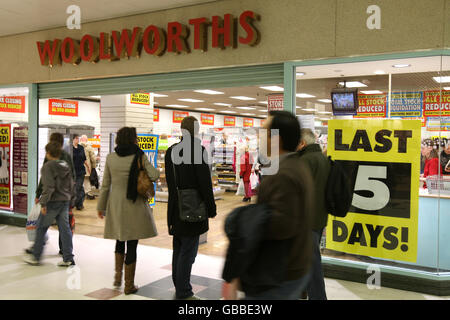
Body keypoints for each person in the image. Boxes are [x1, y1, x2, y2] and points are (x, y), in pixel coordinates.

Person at [226, 111, 314, 300]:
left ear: (277, 139)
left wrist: (243, 219)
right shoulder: (294, 166)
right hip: (291, 266)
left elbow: (282, 224)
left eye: (264, 132)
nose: (260, 137)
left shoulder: (284, 174)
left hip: (279, 273)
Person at [97, 127, 159, 295]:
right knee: (132, 244)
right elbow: (154, 175)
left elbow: (105, 186)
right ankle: (128, 285)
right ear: (133, 139)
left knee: (119, 239)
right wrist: (143, 165)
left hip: (116, 205)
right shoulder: (139, 155)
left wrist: (100, 207)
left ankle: (118, 277)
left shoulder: (111, 158)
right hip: (135, 205)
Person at [165, 116, 217, 300]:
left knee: (179, 248)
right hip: (192, 209)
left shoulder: (171, 151)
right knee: (188, 252)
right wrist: (211, 208)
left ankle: (179, 285)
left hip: (175, 208)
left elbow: (171, 184)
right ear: (196, 130)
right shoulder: (198, 150)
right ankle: (184, 292)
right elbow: (205, 184)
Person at [23, 142, 76, 267]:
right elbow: (71, 184)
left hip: (52, 202)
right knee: (65, 229)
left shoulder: (47, 167)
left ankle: (36, 256)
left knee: (40, 228)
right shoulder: (65, 165)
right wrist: (72, 200)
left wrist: (43, 203)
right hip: (64, 201)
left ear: (48, 153)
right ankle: (68, 258)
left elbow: (49, 188)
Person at [297, 128, 330, 300]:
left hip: (305, 221)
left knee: (312, 264)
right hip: (318, 218)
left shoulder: (304, 161)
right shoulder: (322, 159)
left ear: (302, 143)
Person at [72, 134, 89, 210]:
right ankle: (80, 204)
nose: (77, 140)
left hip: (81, 171)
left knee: (77, 187)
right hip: (73, 171)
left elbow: (84, 159)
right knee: (80, 188)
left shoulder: (81, 148)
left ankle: (75, 204)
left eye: (78, 138)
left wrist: (88, 167)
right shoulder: (70, 148)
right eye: (76, 138)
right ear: (72, 139)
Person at [80, 135, 99, 200]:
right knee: (87, 180)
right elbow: (93, 158)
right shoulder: (89, 147)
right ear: (86, 140)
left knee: (80, 180)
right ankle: (88, 193)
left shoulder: (77, 147)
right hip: (87, 167)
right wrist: (94, 166)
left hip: (78, 167)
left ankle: (82, 193)